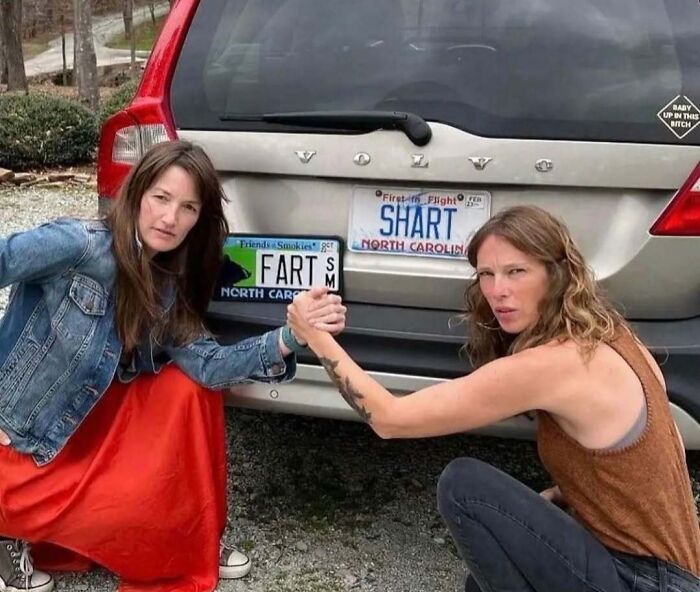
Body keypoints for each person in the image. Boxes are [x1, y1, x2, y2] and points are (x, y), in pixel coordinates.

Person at [287, 205, 700, 592]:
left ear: (556, 275)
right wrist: (562, 496)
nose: (498, 290)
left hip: (645, 581)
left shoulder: (554, 364)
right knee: (481, 576)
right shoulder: (614, 336)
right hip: (671, 576)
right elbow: (655, 459)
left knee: (466, 486)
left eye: (516, 271)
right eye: (487, 274)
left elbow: (389, 418)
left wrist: (315, 336)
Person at [0, 139, 346, 592]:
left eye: (188, 207)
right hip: (25, 434)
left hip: (86, 428)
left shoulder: (167, 284)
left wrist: (292, 336)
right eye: (161, 198)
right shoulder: (78, 244)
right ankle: (8, 531)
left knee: (189, 387)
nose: (170, 219)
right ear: (137, 193)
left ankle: (189, 537)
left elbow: (209, 365)